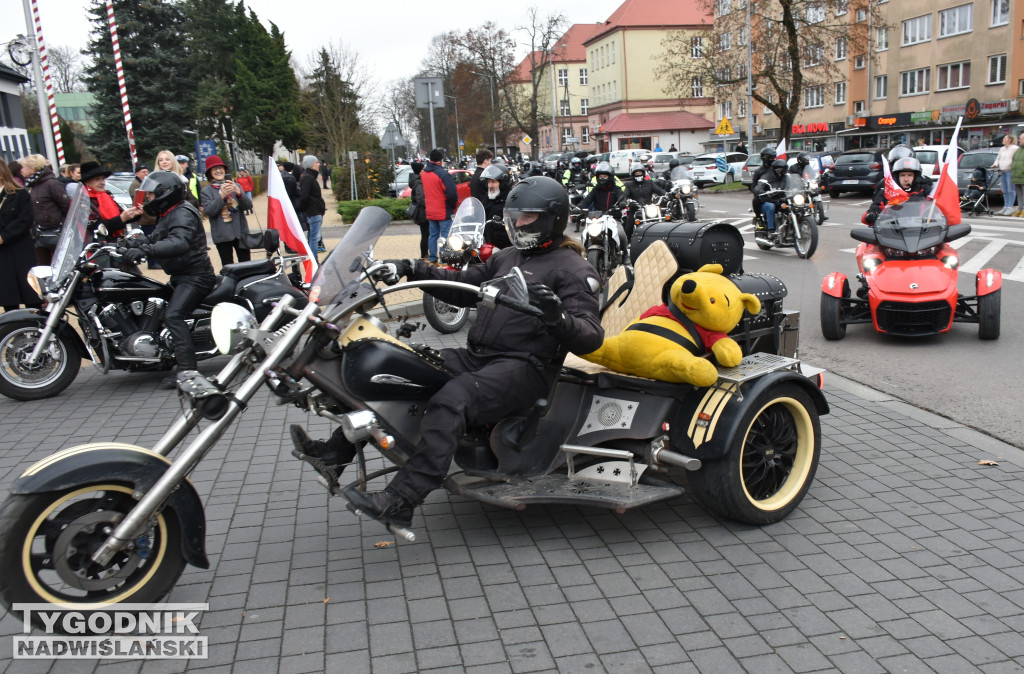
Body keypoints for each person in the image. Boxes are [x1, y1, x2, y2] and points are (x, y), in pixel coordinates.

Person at [290, 176, 603, 532]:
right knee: (400, 363)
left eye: (527, 217)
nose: (517, 224)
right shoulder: (508, 257)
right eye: (514, 216)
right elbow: (463, 285)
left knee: (453, 398)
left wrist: (558, 318)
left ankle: (401, 501)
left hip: (525, 369)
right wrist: (410, 268)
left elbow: (591, 337)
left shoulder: (574, 269)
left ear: (553, 217)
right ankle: (334, 454)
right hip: (480, 358)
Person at [120, 171, 216, 388]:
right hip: (182, 275)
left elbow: (178, 242)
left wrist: (147, 249)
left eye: (153, 195)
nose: (149, 199)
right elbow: (158, 237)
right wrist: (134, 243)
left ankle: (187, 371)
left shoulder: (182, 213)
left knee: (173, 316)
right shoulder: (169, 212)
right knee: (157, 308)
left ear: (166, 193)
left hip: (195, 276)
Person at [0, 160, 42, 313]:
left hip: (20, 248)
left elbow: (24, 220)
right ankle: (14, 327)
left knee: (29, 291)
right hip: (2, 255)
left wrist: (4, 236)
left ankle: (36, 325)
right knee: (7, 293)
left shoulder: (19, 193)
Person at [200, 154, 252, 266]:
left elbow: (248, 206)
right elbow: (209, 211)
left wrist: (239, 193)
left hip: (240, 232)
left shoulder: (235, 185)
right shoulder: (206, 191)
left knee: (247, 264)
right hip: (222, 235)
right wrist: (222, 196)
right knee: (228, 266)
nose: (218, 171)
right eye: (214, 169)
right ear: (210, 173)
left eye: (220, 168)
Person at [20, 154, 70, 265]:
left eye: (23, 167)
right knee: (42, 267)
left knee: (60, 265)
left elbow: (66, 205)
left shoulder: (51, 183)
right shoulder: (29, 185)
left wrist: (57, 220)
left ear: (32, 169)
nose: (21, 170)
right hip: (36, 234)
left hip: (54, 232)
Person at [78, 161, 143, 243]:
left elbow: (121, 215)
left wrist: (134, 214)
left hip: (114, 243)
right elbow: (97, 227)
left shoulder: (106, 195)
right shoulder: (83, 201)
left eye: (103, 178)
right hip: (95, 246)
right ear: (86, 182)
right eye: (97, 179)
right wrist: (122, 218)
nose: (102, 182)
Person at [863, 157, 930, 224]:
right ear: (897, 177)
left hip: (920, 229)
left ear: (915, 177)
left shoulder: (923, 189)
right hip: (892, 229)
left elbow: (936, 206)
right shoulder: (888, 191)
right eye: (902, 175)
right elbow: (875, 208)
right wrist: (871, 215)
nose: (906, 179)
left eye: (910, 175)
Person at [421, 148, 458, 263]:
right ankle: (444, 259)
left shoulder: (424, 174)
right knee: (445, 236)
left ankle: (432, 257)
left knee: (433, 235)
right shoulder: (442, 174)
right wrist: (453, 205)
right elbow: (452, 193)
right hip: (443, 210)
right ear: (441, 160)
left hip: (430, 210)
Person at [618, 163, 666, 238]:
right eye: (636, 173)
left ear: (643, 173)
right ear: (633, 175)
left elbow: (659, 191)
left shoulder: (650, 183)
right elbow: (625, 195)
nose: (638, 175)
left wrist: (667, 195)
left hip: (649, 209)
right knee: (629, 226)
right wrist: (623, 201)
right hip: (635, 210)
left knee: (664, 219)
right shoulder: (629, 185)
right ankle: (628, 243)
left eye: (640, 173)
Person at [298, 155, 327, 260]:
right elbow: (304, 196)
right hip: (313, 211)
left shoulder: (309, 176)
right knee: (314, 238)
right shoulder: (308, 178)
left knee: (314, 237)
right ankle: (314, 261)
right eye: (316, 162)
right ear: (311, 165)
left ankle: (313, 260)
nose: (318, 164)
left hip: (314, 210)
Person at [753, 159, 790, 235]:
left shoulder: (785, 177)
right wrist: (762, 192)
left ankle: (791, 226)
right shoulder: (766, 177)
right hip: (768, 200)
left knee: (792, 206)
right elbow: (758, 186)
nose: (785, 173)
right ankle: (771, 230)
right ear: (778, 170)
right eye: (783, 171)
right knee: (771, 207)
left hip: (780, 200)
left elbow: (793, 183)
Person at [480, 163, 513, 248]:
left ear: (503, 183)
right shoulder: (487, 198)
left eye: (493, 182)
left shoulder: (511, 199)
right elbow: (480, 213)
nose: (490, 185)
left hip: (506, 246)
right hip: (487, 243)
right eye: (489, 182)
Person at [991, 134, 1018, 215]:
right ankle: (1005, 206)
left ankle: (1010, 207)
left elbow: (1016, 159)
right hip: (1002, 171)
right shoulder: (1002, 149)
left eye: (1005, 138)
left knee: (1011, 189)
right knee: (1004, 190)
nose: (1003, 140)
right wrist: (995, 164)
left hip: (1010, 170)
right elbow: (998, 158)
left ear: (1010, 139)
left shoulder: (1015, 148)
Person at [407, 162, 430, 259]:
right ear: (419, 171)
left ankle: (425, 255)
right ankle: (424, 256)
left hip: (422, 213)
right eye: (423, 169)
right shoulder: (419, 184)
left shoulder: (416, 182)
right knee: (426, 235)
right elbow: (421, 199)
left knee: (425, 235)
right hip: (423, 213)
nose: (424, 171)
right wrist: (430, 205)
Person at [1012, 142, 1024, 217]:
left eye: (1021, 139)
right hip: (1017, 176)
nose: (1020, 140)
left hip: (1022, 175)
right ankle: (1020, 209)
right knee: (1019, 194)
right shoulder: (1019, 150)